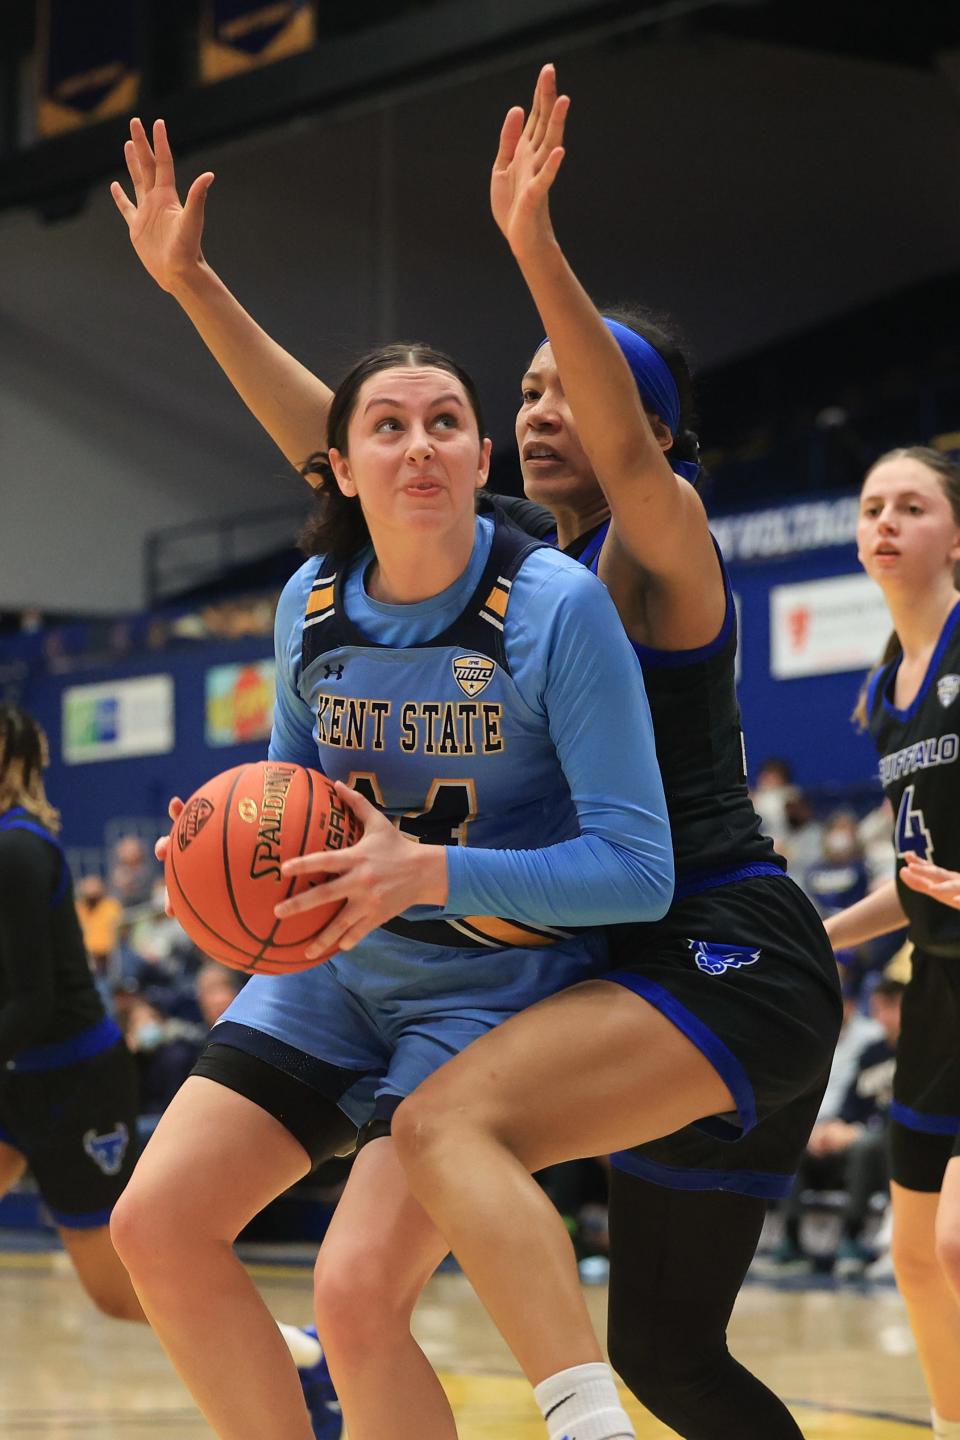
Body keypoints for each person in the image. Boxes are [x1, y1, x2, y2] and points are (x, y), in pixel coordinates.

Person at [110, 69, 840, 1440]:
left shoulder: (647, 541)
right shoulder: (489, 552)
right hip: (588, 941)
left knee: (421, 1207)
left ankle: (571, 1420)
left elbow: (614, 449)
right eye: (531, 389)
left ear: (657, 428)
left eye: (585, 390)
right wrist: (196, 290)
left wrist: (531, 242)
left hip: (690, 925)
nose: (553, 407)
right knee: (674, 1359)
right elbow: (342, 451)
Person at [105, 322, 675, 1440]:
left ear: (480, 461)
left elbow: (639, 871)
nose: (419, 447)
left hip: (492, 986)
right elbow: (286, 798)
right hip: (337, 970)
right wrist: (213, 850)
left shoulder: (556, 605)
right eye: (388, 427)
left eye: (445, 424)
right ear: (343, 468)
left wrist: (424, 872)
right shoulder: (309, 604)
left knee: (356, 1294)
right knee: (154, 1228)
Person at [823, 445, 960, 1440]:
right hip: (939, 989)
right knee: (915, 1254)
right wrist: (820, 935)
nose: (886, 523)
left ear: (955, 535)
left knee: (955, 1245)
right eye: (873, 506)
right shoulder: (884, 688)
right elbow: (917, 877)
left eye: (911, 506)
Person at [0, 704, 144, 1321]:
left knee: (120, 1296)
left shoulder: (17, 850)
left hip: (75, 1084)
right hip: (17, 1073)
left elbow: (35, 1003)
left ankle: (301, 1353)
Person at [776, 977, 902, 1279]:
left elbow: (900, 1111)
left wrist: (857, 1130)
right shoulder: (872, 1051)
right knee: (795, 1145)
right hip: (855, 1136)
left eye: (888, 1008)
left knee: (866, 1145)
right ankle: (791, 1240)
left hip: (885, 1142)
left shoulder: (921, 1053)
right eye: (877, 1009)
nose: (881, 1016)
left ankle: (852, 1238)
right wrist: (833, 1127)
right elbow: (850, 1101)